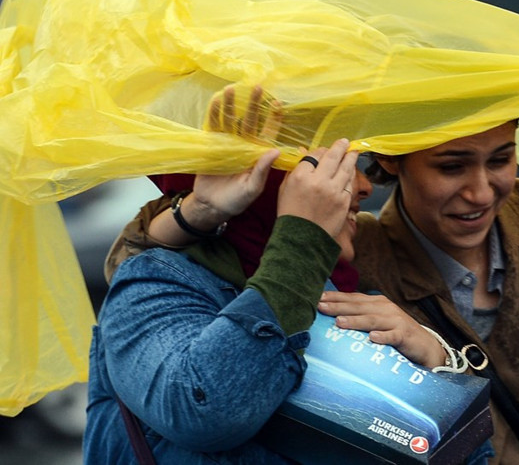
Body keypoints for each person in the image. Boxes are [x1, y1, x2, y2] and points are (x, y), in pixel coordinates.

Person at [109, 92, 519, 465]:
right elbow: (139, 277)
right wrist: (197, 211)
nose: (482, 190)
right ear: (391, 163)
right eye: (452, 167)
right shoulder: (352, 253)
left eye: (501, 160)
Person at [83, 131, 465, 463]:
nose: (365, 186)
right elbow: (206, 411)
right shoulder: (156, 281)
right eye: (326, 167)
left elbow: (464, 453)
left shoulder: (349, 297)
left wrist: (438, 365)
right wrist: (303, 239)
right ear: (269, 184)